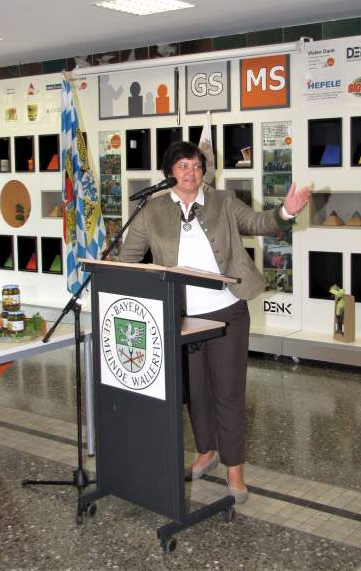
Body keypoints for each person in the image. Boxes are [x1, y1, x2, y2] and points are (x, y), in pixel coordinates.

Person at [118, 142, 310, 503]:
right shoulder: (152, 210)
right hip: (181, 317)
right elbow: (128, 258)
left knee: (228, 392)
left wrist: (286, 211)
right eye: (183, 166)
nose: (191, 172)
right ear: (169, 172)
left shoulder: (223, 201)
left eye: (196, 165)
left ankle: (234, 469)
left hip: (227, 312)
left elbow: (258, 222)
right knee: (196, 392)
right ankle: (206, 451)